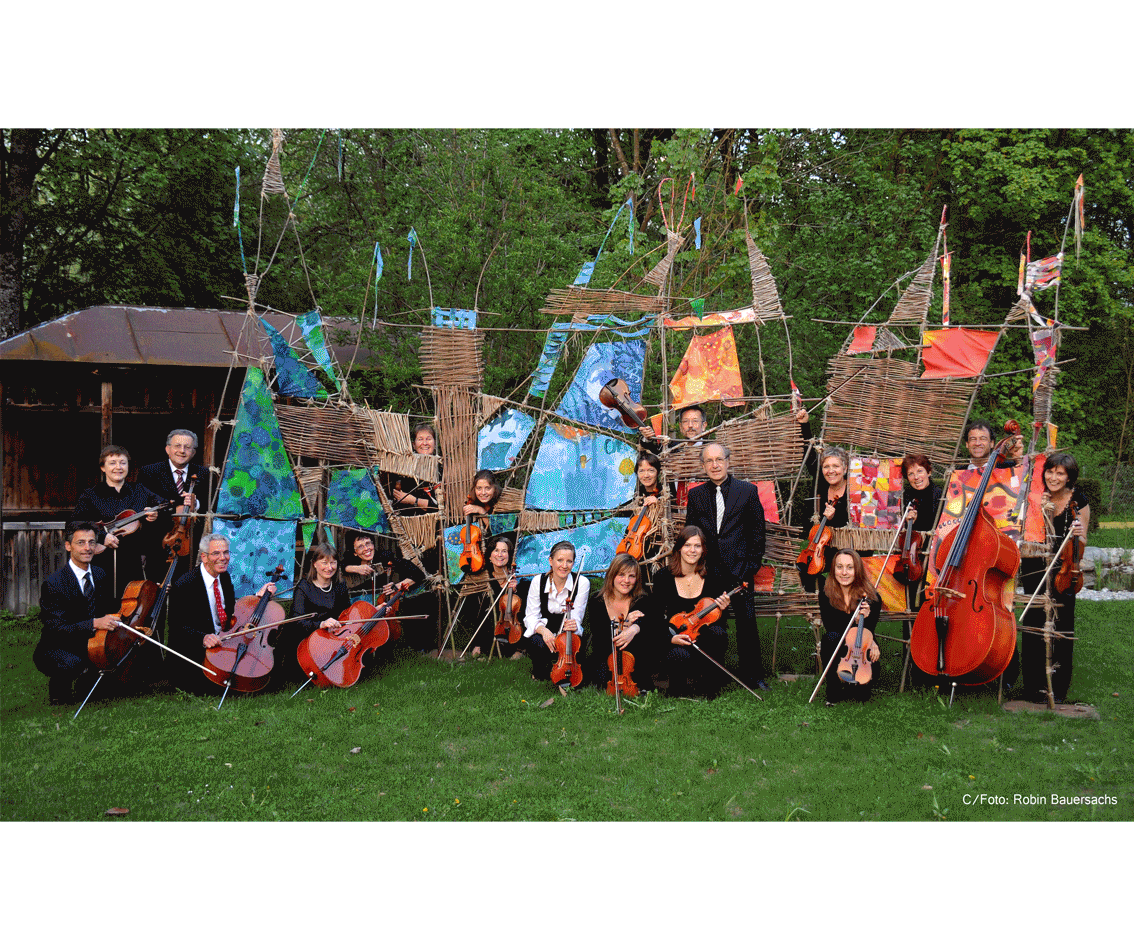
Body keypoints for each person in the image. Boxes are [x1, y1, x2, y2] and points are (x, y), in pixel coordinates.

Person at [683, 442, 768, 689]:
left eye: (719, 459)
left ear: (728, 462)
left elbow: (757, 533)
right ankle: (710, 675)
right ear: (703, 466)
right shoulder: (696, 495)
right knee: (709, 624)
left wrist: (750, 567)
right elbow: (692, 534)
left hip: (740, 571)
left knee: (747, 625)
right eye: (709, 461)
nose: (715, 465)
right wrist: (697, 568)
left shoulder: (747, 491)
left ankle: (754, 677)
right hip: (708, 572)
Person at [168, 533, 276, 694]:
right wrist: (203, 637)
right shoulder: (184, 584)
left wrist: (256, 598)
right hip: (197, 650)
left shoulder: (224, 577)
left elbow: (233, 612)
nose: (223, 557)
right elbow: (176, 626)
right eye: (216, 553)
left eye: (226, 552)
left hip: (223, 640)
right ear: (204, 557)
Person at [1020, 453, 1088, 703]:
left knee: (1061, 624)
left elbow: (1082, 543)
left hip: (1063, 569)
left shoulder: (1078, 501)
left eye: (1060, 473)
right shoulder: (1036, 498)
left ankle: (1057, 687)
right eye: (1050, 471)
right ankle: (1032, 686)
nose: (1054, 477)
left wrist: (1079, 534)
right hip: (1035, 565)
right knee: (1033, 623)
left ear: (1069, 476)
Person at [33, 522, 120, 705]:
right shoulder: (54, 583)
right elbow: (57, 628)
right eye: (81, 542)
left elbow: (109, 608)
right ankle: (58, 689)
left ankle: (87, 680)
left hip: (90, 644)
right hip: (57, 646)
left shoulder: (101, 574)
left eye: (91, 542)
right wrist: (94, 623)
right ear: (68, 546)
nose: (87, 548)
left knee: (107, 688)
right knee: (72, 664)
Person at [71, 445, 163, 593]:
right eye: (112, 463)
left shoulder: (139, 490)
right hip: (102, 559)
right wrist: (102, 536)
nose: (118, 467)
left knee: (131, 603)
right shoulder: (91, 494)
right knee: (103, 601)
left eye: (123, 462)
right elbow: (76, 523)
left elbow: (163, 504)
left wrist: (155, 513)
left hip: (132, 559)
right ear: (103, 467)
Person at [653, 526, 732, 697]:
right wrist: (671, 638)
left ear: (703, 550)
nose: (692, 550)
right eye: (688, 545)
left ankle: (710, 686)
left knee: (718, 634)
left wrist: (723, 608)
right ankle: (677, 688)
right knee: (678, 655)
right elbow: (655, 617)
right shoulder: (663, 577)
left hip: (703, 637)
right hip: (676, 636)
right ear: (679, 547)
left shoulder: (713, 576)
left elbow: (718, 620)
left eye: (697, 546)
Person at [521, 541, 590, 688]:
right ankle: (539, 671)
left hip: (568, 632)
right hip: (546, 630)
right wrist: (543, 631)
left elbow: (577, 616)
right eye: (560, 560)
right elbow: (531, 616)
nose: (564, 566)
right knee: (536, 642)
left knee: (574, 646)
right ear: (550, 561)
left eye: (569, 561)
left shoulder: (582, 582)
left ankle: (568, 670)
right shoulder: (538, 581)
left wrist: (573, 624)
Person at [795, 408, 851, 591]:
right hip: (822, 548)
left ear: (845, 468)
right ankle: (819, 598)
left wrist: (837, 518)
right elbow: (809, 454)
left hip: (848, 548)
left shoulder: (854, 491)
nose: (831, 470)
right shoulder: (820, 483)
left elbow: (854, 523)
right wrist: (805, 425)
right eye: (826, 466)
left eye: (836, 466)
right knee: (804, 567)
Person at [818, 548, 882, 704]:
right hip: (840, 643)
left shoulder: (872, 598)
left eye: (850, 567)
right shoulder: (826, 594)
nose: (844, 572)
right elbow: (831, 626)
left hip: (862, 646)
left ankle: (857, 681)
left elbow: (868, 631)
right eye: (839, 567)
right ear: (834, 569)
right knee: (830, 638)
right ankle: (833, 687)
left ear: (857, 570)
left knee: (862, 696)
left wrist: (864, 622)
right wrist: (855, 622)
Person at [586, 554, 654, 692]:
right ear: (612, 575)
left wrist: (635, 628)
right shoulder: (596, 601)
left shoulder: (642, 599)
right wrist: (626, 624)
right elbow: (601, 638)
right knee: (600, 679)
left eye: (632, 576)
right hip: (605, 656)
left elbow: (650, 626)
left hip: (634, 659)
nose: (626, 581)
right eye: (621, 575)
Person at [899, 454, 943, 643]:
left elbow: (941, 524)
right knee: (909, 607)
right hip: (911, 559)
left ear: (929, 472)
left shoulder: (940, 494)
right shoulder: (905, 496)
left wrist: (920, 521)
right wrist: (906, 521)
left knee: (932, 606)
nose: (916, 477)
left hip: (935, 558)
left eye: (920, 471)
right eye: (911, 473)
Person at [468, 534, 528, 659]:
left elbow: (525, 608)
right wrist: (477, 644)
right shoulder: (486, 578)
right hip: (491, 626)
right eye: (496, 551)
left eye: (504, 551)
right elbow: (478, 614)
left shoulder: (517, 577)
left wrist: (516, 591)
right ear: (490, 556)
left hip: (513, 624)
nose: (500, 555)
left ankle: (520, 647)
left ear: (509, 555)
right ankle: (481, 645)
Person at [341, 530, 420, 599]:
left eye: (368, 543)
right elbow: (342, 566)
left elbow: (417, 573)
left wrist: (397, 587)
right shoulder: (350, 560)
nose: (366, 548)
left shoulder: (385, 558)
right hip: (359, 602)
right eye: (360, 546)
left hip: (382, 601)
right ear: (354, 553)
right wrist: (356, 568)